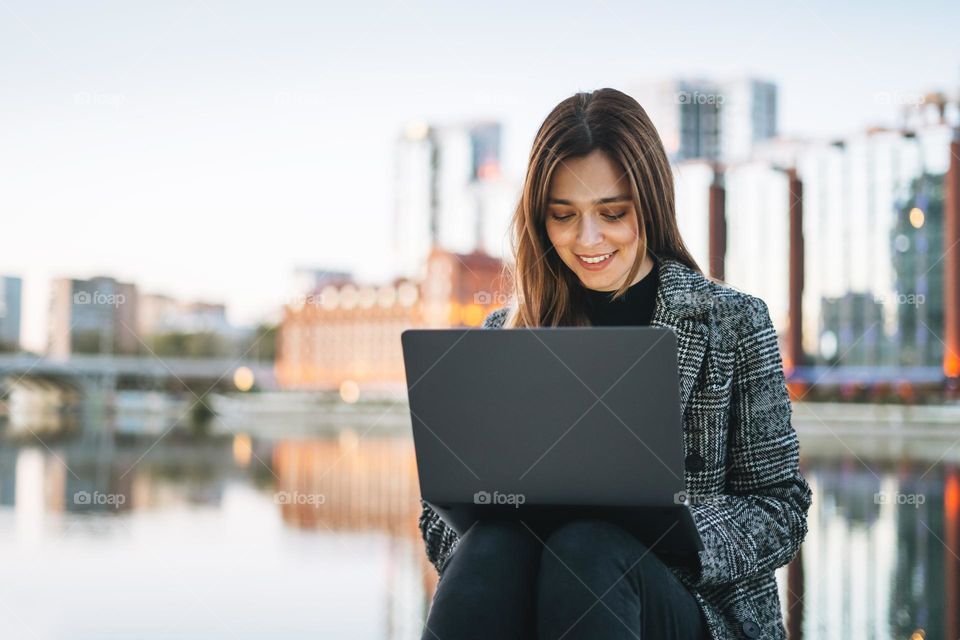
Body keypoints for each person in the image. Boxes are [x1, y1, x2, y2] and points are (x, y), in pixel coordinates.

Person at [418, 88, 812, 640]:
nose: (588, 239)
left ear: (649, 204)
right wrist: (498, 516)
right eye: (563, 216)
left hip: (693, 610)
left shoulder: (733, 323)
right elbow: (438, 529)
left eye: (612, 213)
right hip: (536, 588)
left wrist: (674, 533)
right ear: (540, 220)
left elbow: (781, 510)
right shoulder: (503, 336)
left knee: (591, 545)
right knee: (491, 542)